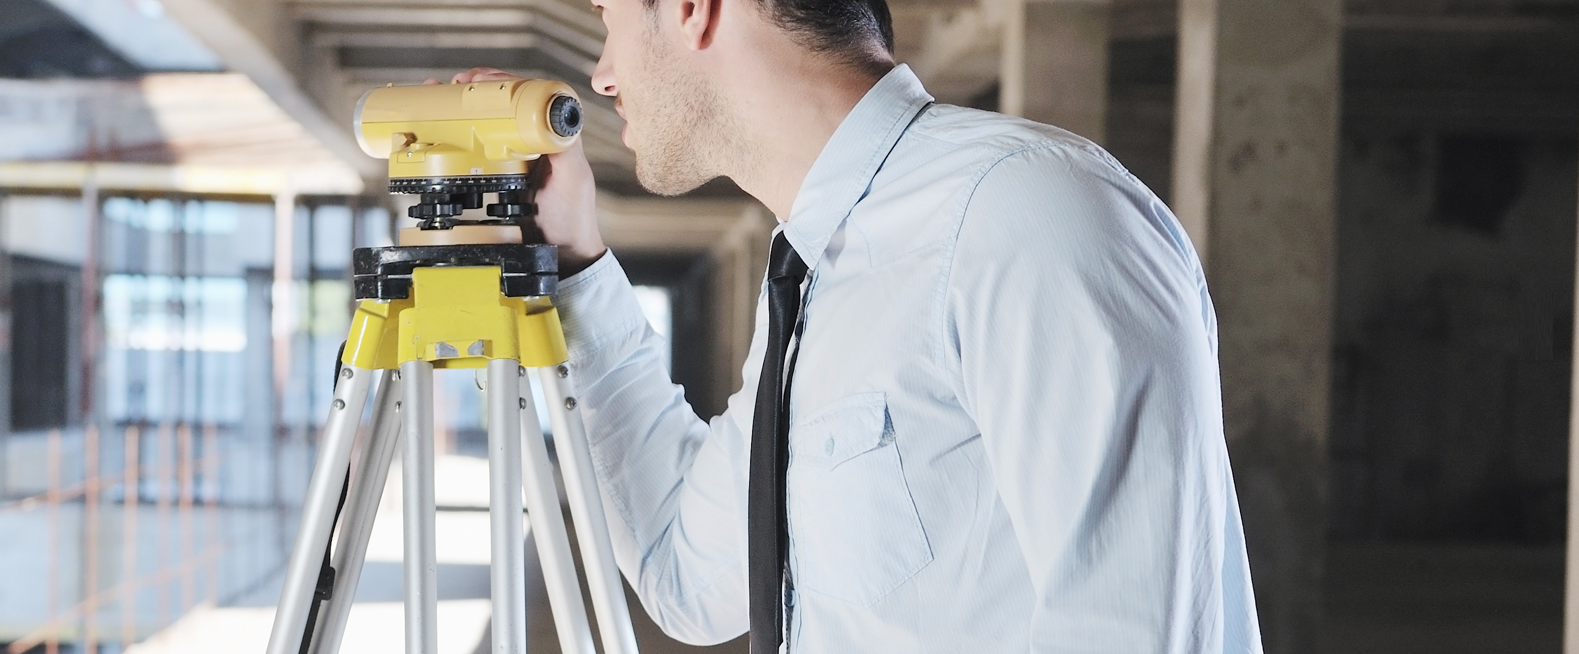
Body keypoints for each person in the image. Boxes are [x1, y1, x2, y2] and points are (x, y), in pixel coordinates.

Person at [453, 0, 1261, 650]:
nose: (601, 75)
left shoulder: (1025, 215)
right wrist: (576, 263)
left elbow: (1134, 630)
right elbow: (686, 577)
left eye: (609, 16)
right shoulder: (818, 270)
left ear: (694, 9)